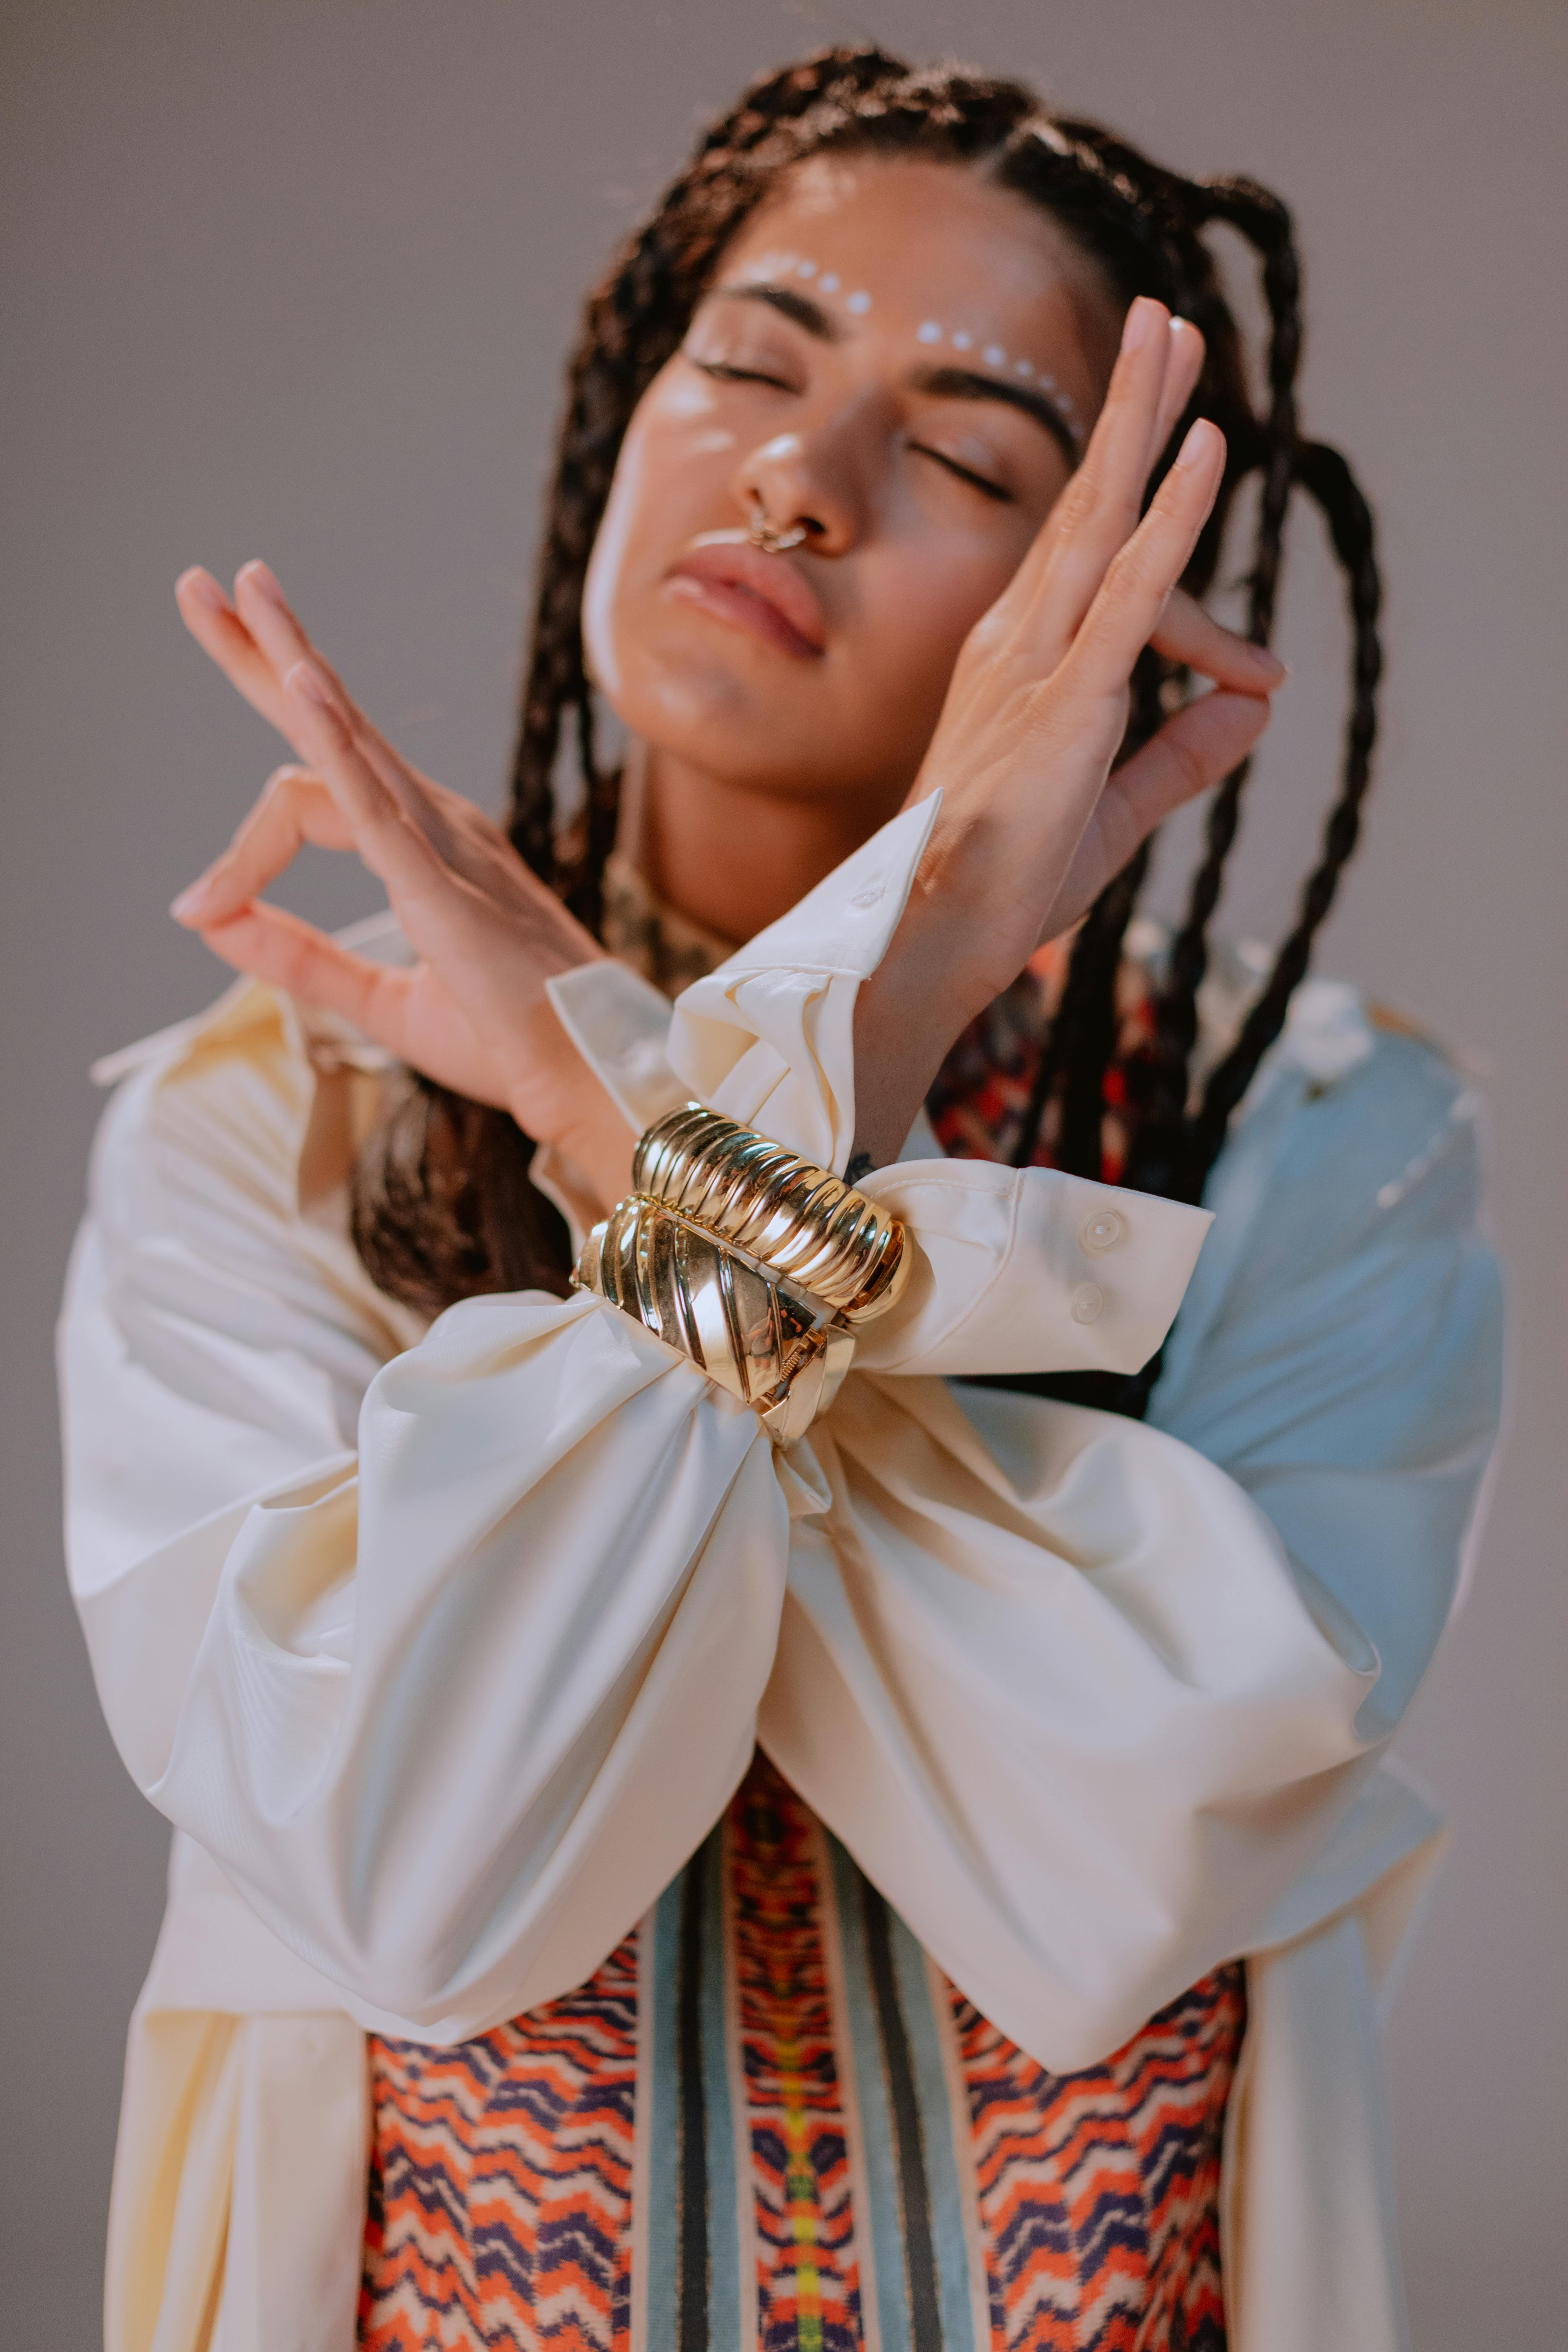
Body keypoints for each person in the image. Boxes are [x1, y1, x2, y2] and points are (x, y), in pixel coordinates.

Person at [60, 46, 1502, 2352]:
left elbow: (1120, 1858)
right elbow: (409, 1875)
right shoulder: (267, 1119)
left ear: (1106, 616)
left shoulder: (1317, 1136)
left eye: (958, 450)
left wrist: (664, 1090)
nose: (796, 474)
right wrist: (853, 1017)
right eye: (743, 359)